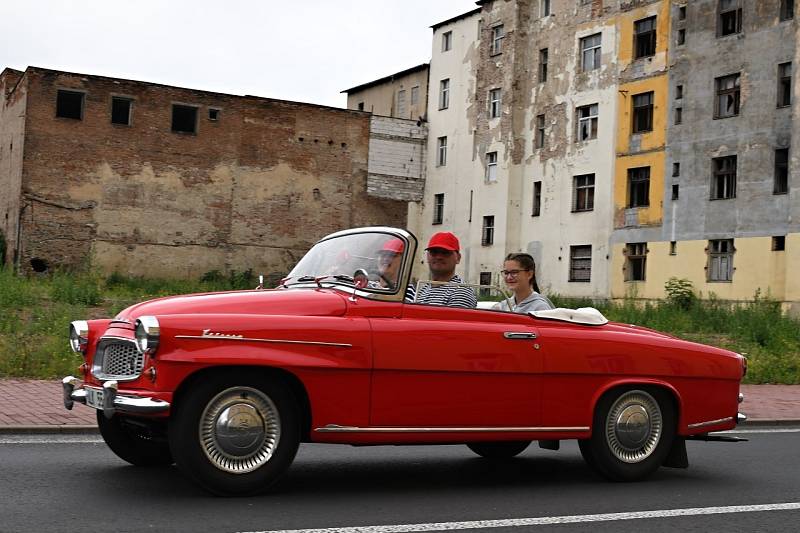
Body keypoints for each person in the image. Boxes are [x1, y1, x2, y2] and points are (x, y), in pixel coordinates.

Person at [414, 232, 477, 308]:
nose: (439, 257)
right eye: (434, 252)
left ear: (458, 258)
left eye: (445, 252)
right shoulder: (424, 289)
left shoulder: (461, 292)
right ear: (427, 256)